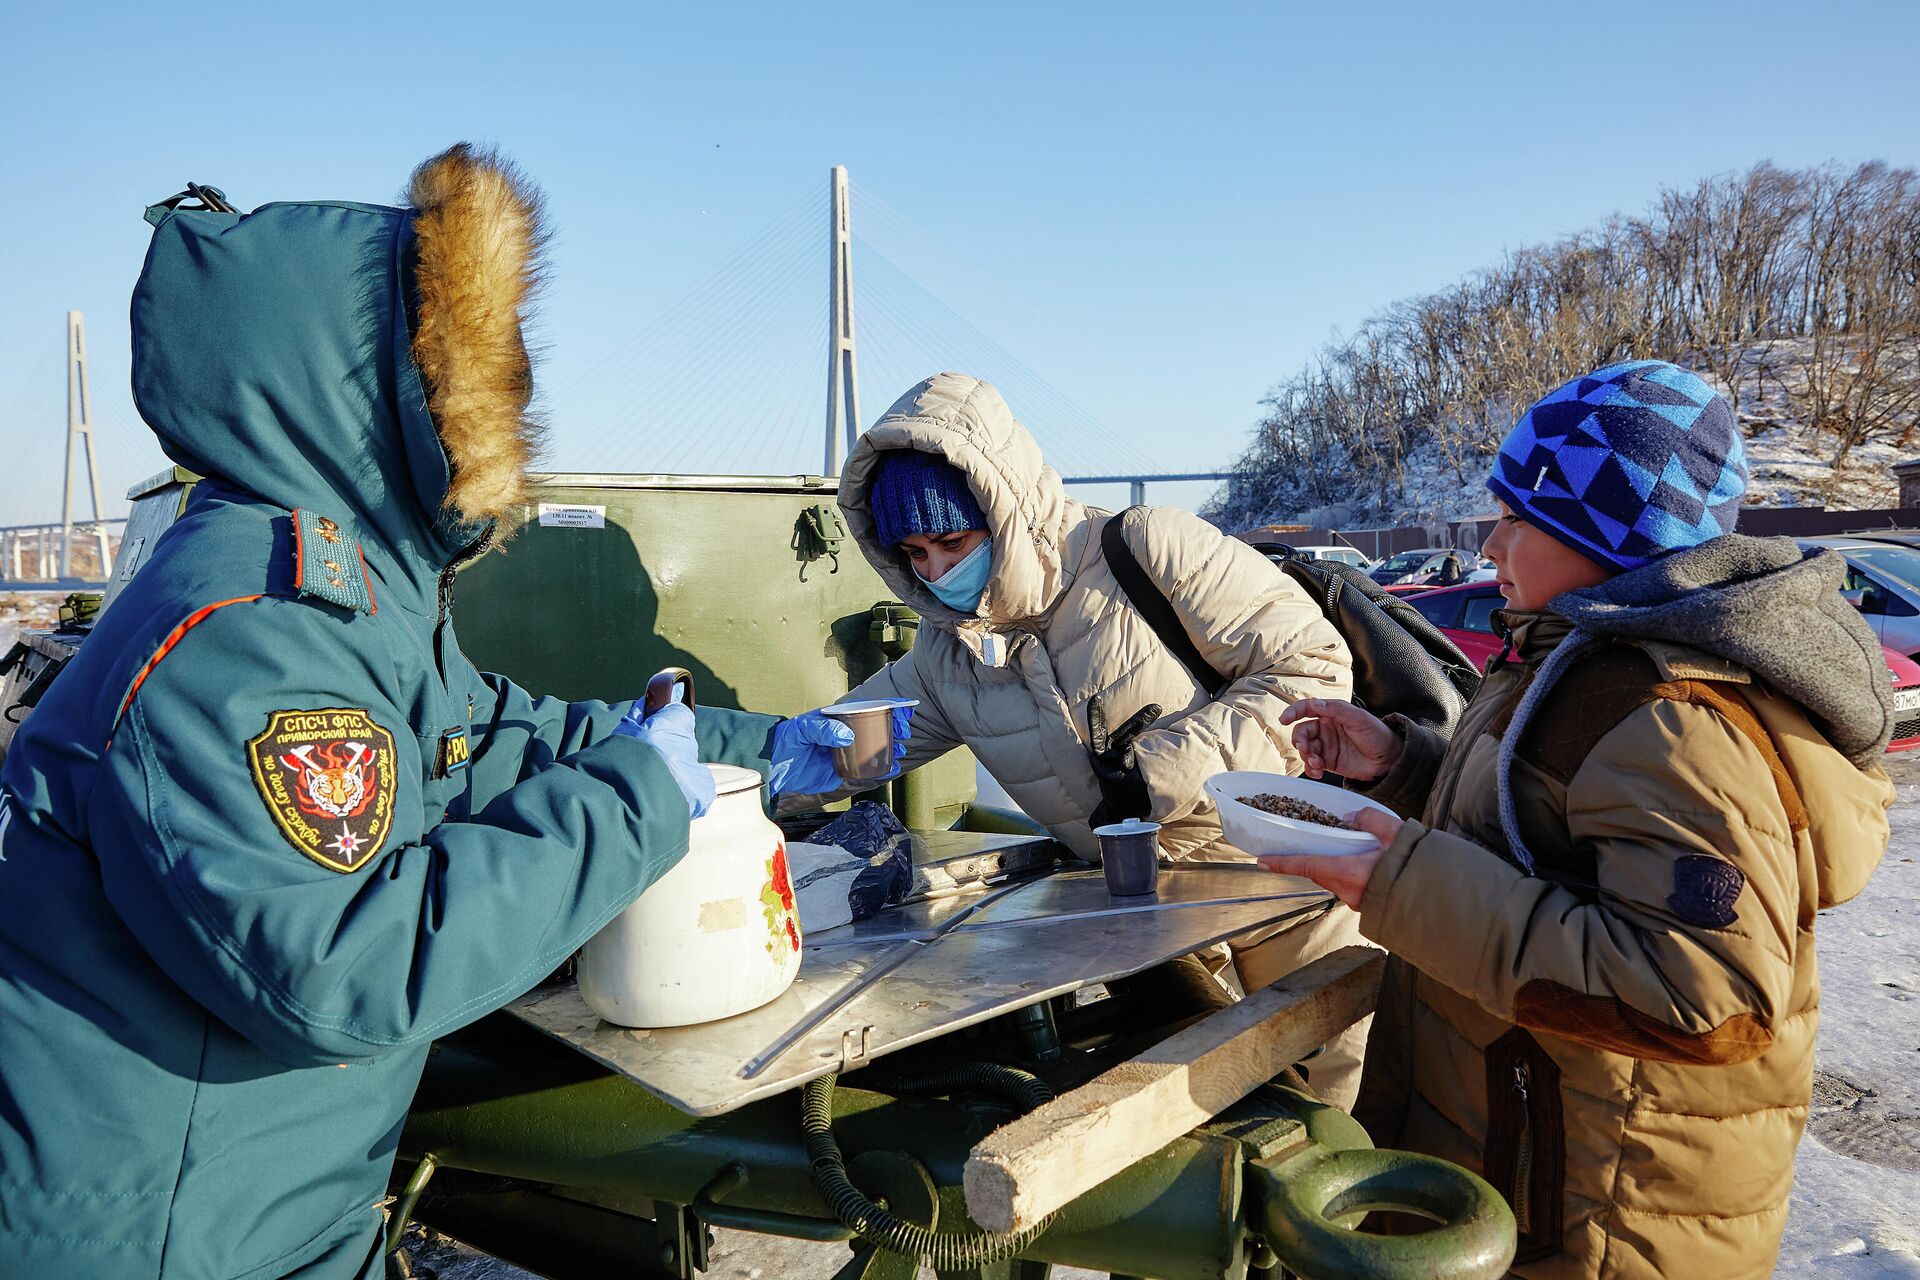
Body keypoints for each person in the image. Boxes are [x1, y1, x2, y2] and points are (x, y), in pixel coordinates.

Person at [0, 146, 892, 1280]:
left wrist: (754, 752)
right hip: (169, 1238)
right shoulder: (245, 637)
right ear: (377, 392)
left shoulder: (350, 602)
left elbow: (499, 739)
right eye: (472, 373)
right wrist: (633, 802)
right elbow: (341, 968)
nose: (503, 404)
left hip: (256, 1204)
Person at [1268, 360, 1895, 1277]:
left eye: (1519, 516)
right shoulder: (1579, 657)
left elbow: (1704, 999)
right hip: (1536, 1162)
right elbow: (1546, 837)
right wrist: (1405, 770)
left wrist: (1398, 879)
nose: (1490, 544)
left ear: (1607, 534)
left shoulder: (1674, 715)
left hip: (1601, 1217)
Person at [800, 371, 1374, 1105]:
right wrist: (709, 773)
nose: (938, 572)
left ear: (1005, 508)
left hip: (1284, 887)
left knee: (1337, 1118)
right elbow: (839, 745)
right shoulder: (948, 656)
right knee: (1225, 1139)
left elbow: (1313, 670)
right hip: (1155, 934)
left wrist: (1165, 772)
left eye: (951, 541)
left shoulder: (1144, 551)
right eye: (913, 554)